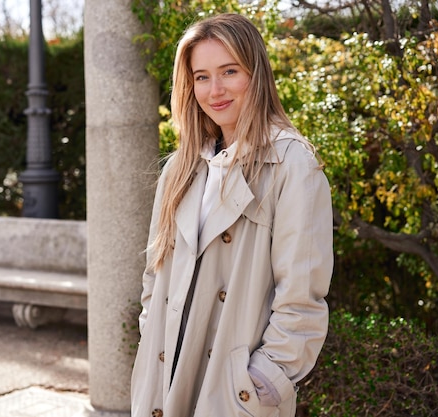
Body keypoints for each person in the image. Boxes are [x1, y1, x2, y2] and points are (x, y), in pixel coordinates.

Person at [130, 13, 334, 417]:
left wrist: (259, 382)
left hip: (233, 395)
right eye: (201, 76)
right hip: (162, 382)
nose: (215, 90)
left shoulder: (292, 164)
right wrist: (150, 337)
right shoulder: (180, 168)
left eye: (229, 71)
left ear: (255, 74)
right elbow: (155, 276)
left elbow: (301, 298)